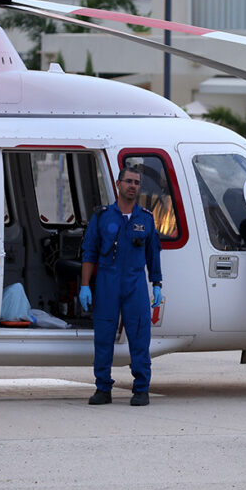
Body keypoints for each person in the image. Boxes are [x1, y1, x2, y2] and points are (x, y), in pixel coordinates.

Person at [79, 165, 162, 407]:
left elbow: (153, 254)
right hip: (107, 282)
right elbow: (89, 252)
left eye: (137, 182)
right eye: (128, 181)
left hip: (135, 283)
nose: (133, 186)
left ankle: (141, 389)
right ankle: (103, 388)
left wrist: (156, 283)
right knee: (104, 337)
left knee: (139, 336)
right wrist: (85, 285)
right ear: (118, 184)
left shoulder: (145, 218)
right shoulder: (102, 216)